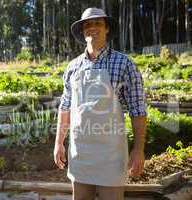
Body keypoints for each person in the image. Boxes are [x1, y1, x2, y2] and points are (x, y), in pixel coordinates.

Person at [53, 7, 147, 200]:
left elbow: (138, 110)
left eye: (97, 23)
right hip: (80, 151)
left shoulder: (124, 64)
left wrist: (138, 150)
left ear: (107, 29)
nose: (92, 27)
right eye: (87, 24)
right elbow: (65, 107)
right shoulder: (73, 67)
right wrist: (59, 142)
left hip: (110, 154)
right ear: (82, 32)